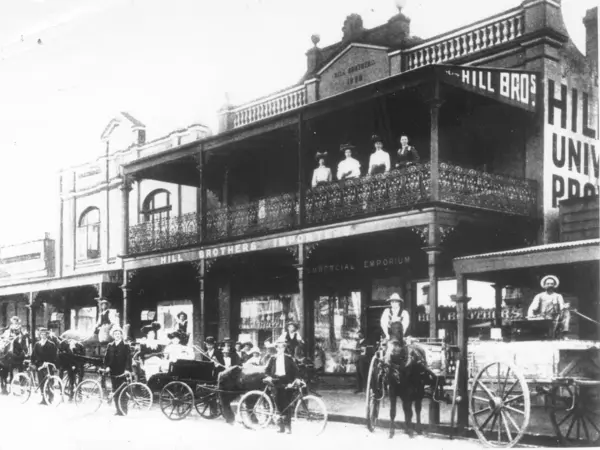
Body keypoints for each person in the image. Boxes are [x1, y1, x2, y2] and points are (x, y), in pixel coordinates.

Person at [264, 336, 302, 434]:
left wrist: (296, 379)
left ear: (284, 348)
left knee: (287, 405)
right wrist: (268, 376)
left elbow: (296, 371)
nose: (280, 349)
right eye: (278, 347)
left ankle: (288, 427)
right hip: (276, 382)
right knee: (278, 405)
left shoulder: (289, 358)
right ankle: (281, 427)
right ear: (276, 348)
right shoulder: (272, 358)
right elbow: (267, 370)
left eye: (282, 347)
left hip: (287, 382)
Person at [103, 326, 132, 416]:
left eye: (119, 334)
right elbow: (106, 358)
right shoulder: (110, 345)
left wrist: (127, 369)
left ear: (121, 335)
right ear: (113, 335)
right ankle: (118, 410)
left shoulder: (126, 345)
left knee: (123, 391)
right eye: (115, 334)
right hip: (113, 371)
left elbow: (128, 359)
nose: (117, 336)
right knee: (115, 390)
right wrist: (107, 366)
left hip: (122, 371)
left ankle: (124, 410)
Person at [380, 293, 410, 365]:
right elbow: (383, 323)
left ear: (399, 302)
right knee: (383, 351)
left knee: (406, 351)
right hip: (389, 336)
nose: (393, 303)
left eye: (395, 302)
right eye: (392, 302)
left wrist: (401, 337)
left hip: (400, 336)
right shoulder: (386, 312)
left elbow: (405, 325)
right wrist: (387, 336)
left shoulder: (404, 313)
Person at [31, 328, 58, 405]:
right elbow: (33, 355)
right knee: (41, 382)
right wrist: (33, 363)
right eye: (41, 334)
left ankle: (50, 398)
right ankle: (43, 398)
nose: (43, 335)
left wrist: (53, 364)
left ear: (47, 335)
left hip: (48, 366)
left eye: (44, 334)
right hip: (39, 366)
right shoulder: (37, 344)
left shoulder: (51, 344)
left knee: (49, 382)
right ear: (40, 335)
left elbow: (54, 356)